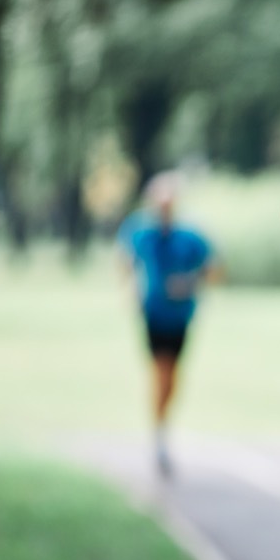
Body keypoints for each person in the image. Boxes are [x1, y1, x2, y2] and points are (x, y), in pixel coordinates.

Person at [118, 171, 216, 477]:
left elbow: (214, 270)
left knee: (172, 377)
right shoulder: (139, 230)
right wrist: (131, 290)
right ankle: (160, 435)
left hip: (181, 316)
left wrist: (188, 283)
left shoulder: (191, 236)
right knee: (161, 372)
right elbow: (125, 262)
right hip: (153, 314)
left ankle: (161, 427)